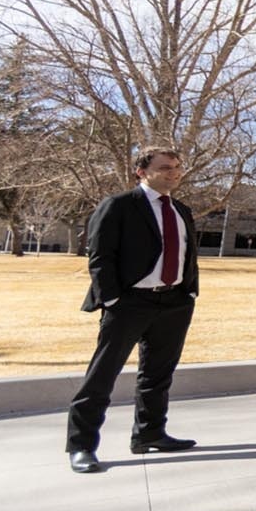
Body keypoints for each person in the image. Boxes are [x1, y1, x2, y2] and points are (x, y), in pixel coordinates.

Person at [66, 146, 200, 474]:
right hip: (129, 303)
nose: (174, 172)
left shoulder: (181, 210)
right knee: (103, 375)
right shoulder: (118, 206)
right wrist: (111, 299)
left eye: (178, 167)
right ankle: (81, 445)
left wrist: (189, 291)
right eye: (166, 167)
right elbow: (100, 256)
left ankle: (149, 433)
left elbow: (187, 254)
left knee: (157, 374)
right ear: (141, 171)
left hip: (174, 302)